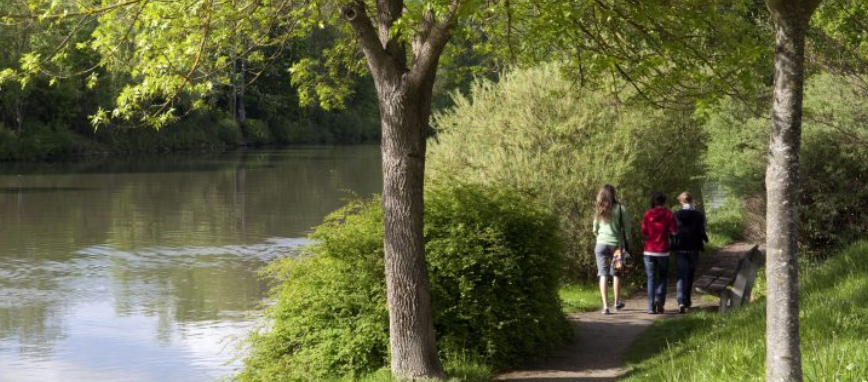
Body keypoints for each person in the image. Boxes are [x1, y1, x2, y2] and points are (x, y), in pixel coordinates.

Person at [592, 184, 631, 315]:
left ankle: (605, 306)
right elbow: (627, 229)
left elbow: (594, 230)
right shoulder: (621, 208)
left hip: (601, 244)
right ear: (613, 194)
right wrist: (627, 242)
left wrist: (601, 237)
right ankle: (616, 302)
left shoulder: (599, 209)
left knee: (603, 274)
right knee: (616, 273)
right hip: (616, 246)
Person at [672, 191, 709, 313]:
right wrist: (705, 239)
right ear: (691, 200)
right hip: (693, 248)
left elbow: (673, 231)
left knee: (681, 275)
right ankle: (687, 300)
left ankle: (681, 302)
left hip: (680, 247)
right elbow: (701, 231)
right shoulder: (698, 215)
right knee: (690, 275)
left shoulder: (676, 215)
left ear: (681, 201)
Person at [641, 192, 677, 314]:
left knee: (651, 278)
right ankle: (659, 299)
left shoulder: (647, 214)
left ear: (654, 201)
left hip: (649, 250)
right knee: (663, 277)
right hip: (663, 251)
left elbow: (644, 231)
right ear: (664, 201)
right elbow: (674, 232)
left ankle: (650, 307)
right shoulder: (668, 214)